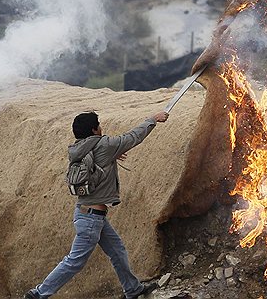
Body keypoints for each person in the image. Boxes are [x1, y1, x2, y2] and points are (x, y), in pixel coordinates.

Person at [24, 110, 169, 299]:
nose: (101, 128)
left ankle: (132, 289)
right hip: (91, 218)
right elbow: (132, 137)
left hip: (89, 215)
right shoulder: (104, 145)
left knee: (117, 251)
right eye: (98, 125)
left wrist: (111, 156)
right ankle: (39, 293)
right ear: (94, 130)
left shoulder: (79, 148)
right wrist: (152, 120)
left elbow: (95, 161)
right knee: (74, 261)